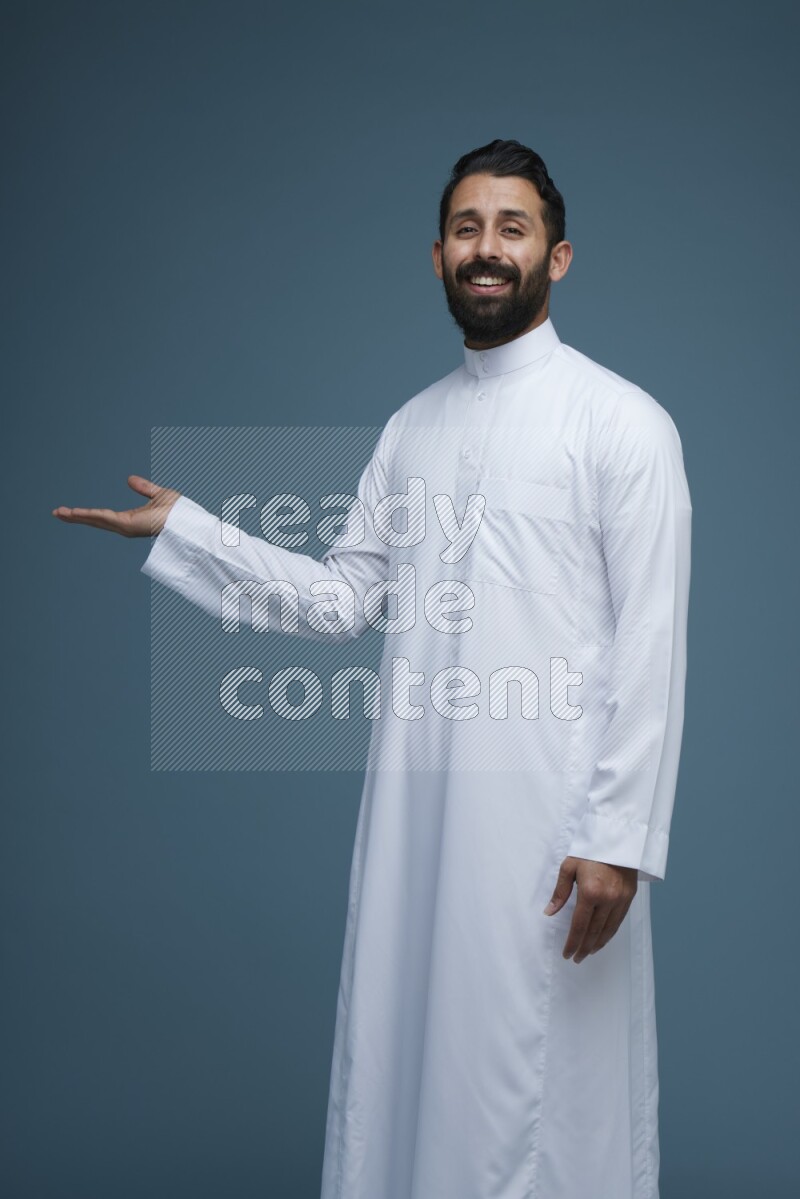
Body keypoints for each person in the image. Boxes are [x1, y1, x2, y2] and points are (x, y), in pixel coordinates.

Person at [53, 138, 692, 1199]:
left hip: (554, 834)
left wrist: (616, 839)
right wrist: (192, 531)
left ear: (558, 257)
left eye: (511, 227)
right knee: (406, 1076)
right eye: (465, 228)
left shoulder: (620, 423)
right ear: (435, 256)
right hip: (416, 829)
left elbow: (651, 640)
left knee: (547, 1093)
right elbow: (341, 598)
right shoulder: (411, 428)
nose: (486, 248)